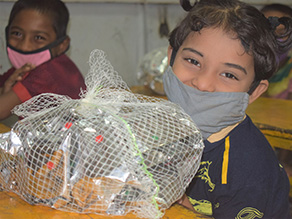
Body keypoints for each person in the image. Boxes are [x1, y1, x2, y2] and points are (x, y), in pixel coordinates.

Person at [162, 0, 292, 218]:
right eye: (193, 61)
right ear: (171, 56)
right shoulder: (163, 127)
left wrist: (181, 204)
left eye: (229, 75)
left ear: (254, 92)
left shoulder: (249, 170)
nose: (203, 84)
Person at [0, 0, 86, 121]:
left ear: (62, 45)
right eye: (17, 34)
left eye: (39, 37)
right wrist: (5, 90)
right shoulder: (29, 66)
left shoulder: (48, 73)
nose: (25, 46)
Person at [261, 3, 292, 177]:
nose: (273, 39)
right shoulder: (242, 64)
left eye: (281, 34)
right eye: (267, 32)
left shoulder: (289, 72)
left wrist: (282, 162)